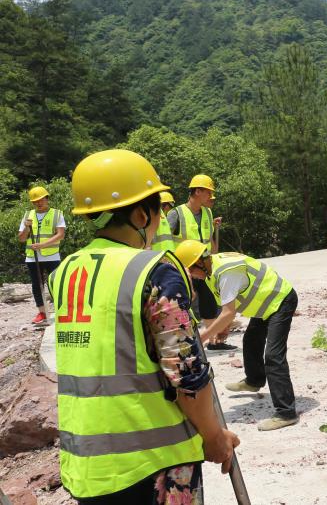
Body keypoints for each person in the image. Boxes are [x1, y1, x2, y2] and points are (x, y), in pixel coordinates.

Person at [49, 149, 239, 503]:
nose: (158, 224)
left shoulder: (64, 273)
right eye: (156, 214)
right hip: (153, 464)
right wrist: (214, 437)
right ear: (141, 213)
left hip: (87, 464)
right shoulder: (154, 271)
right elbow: (188, 375)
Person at [175, 240, 300, 431]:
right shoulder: (211, 270)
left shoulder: (226, 272)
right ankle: (254, 381)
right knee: (250, 341)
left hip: (280, 301)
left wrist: (203, 336)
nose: (192, 275)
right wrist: (222, 328)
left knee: (273, 356)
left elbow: (228, 313)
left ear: (200, 262)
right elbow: (227, 307)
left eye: (191, 270)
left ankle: (286, 413)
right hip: (265, 305)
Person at [168, 175, 232, 350]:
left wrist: (214, 259)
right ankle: (183, 343)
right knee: (183, 306)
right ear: (197, 191)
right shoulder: (176, 214)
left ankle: (213, 341)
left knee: (209, 302)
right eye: (208, 192)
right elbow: (165, 240)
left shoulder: (207, 213)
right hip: (183, 267)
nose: (211, 196)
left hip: (204, 266)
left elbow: (208, 238)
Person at [17, 186, 65, 325]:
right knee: (37, 285)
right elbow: (21, 238)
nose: (38, 203)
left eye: (41, 199)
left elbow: (60, 235)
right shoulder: (27, 215)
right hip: (32, 256)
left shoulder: (57, 214)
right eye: (35, 201)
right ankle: (42, 313)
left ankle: (61, 312)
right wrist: (26, 227)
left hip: (52, 256)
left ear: (47, 198)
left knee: (55, 284)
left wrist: (42, 245)